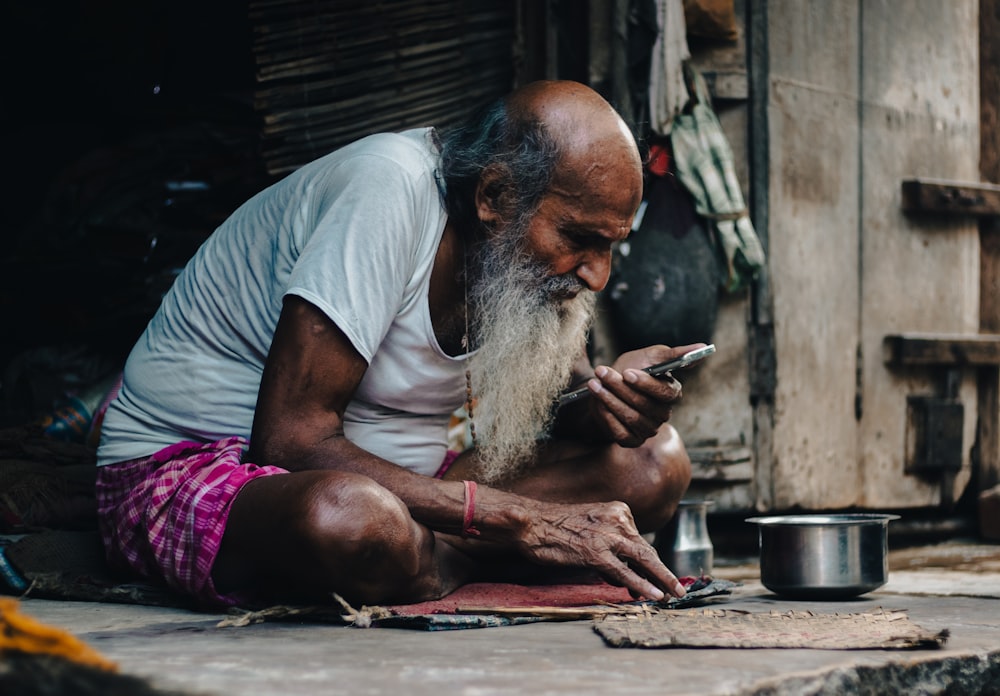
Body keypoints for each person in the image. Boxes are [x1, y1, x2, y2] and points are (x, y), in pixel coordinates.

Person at [95, 80, 697, 609]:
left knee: (654, 462)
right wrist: (525, 521)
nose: (598, 274)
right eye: (580, 239)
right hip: (207, 471)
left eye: (612, 245)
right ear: (494, 198)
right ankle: (457, 561)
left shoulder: (529, 257)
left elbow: (563, 404)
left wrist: (610, 403)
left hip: (416, 492)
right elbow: (288, 440)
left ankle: (425, 566)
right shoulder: (387, 189)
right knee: (351, 521)